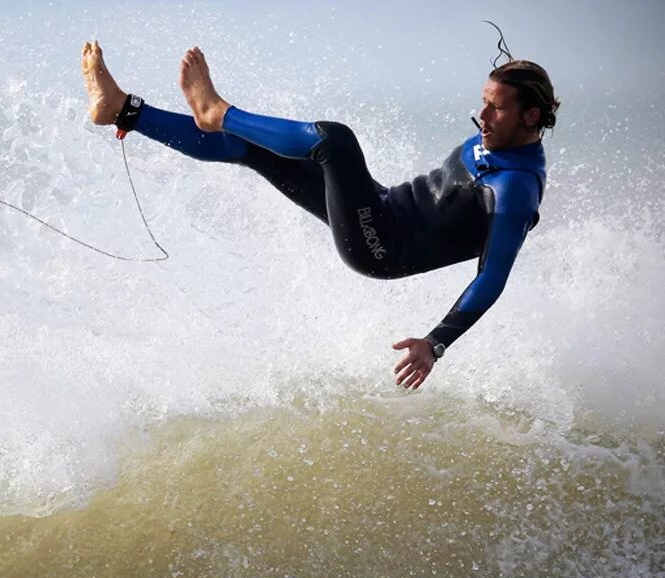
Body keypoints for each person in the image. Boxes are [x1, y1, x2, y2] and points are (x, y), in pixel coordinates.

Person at [81, 41, 558, 389]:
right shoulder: (497, 137)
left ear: (531, 117)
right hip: (382, 206)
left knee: (335, 141)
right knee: (257, 147)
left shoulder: (515, 189)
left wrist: (435, 343)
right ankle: (122, 111)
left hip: (381, 246)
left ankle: (216, 110)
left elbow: (492, 277)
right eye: (484, 102)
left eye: (495, 109)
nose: (482, 116)